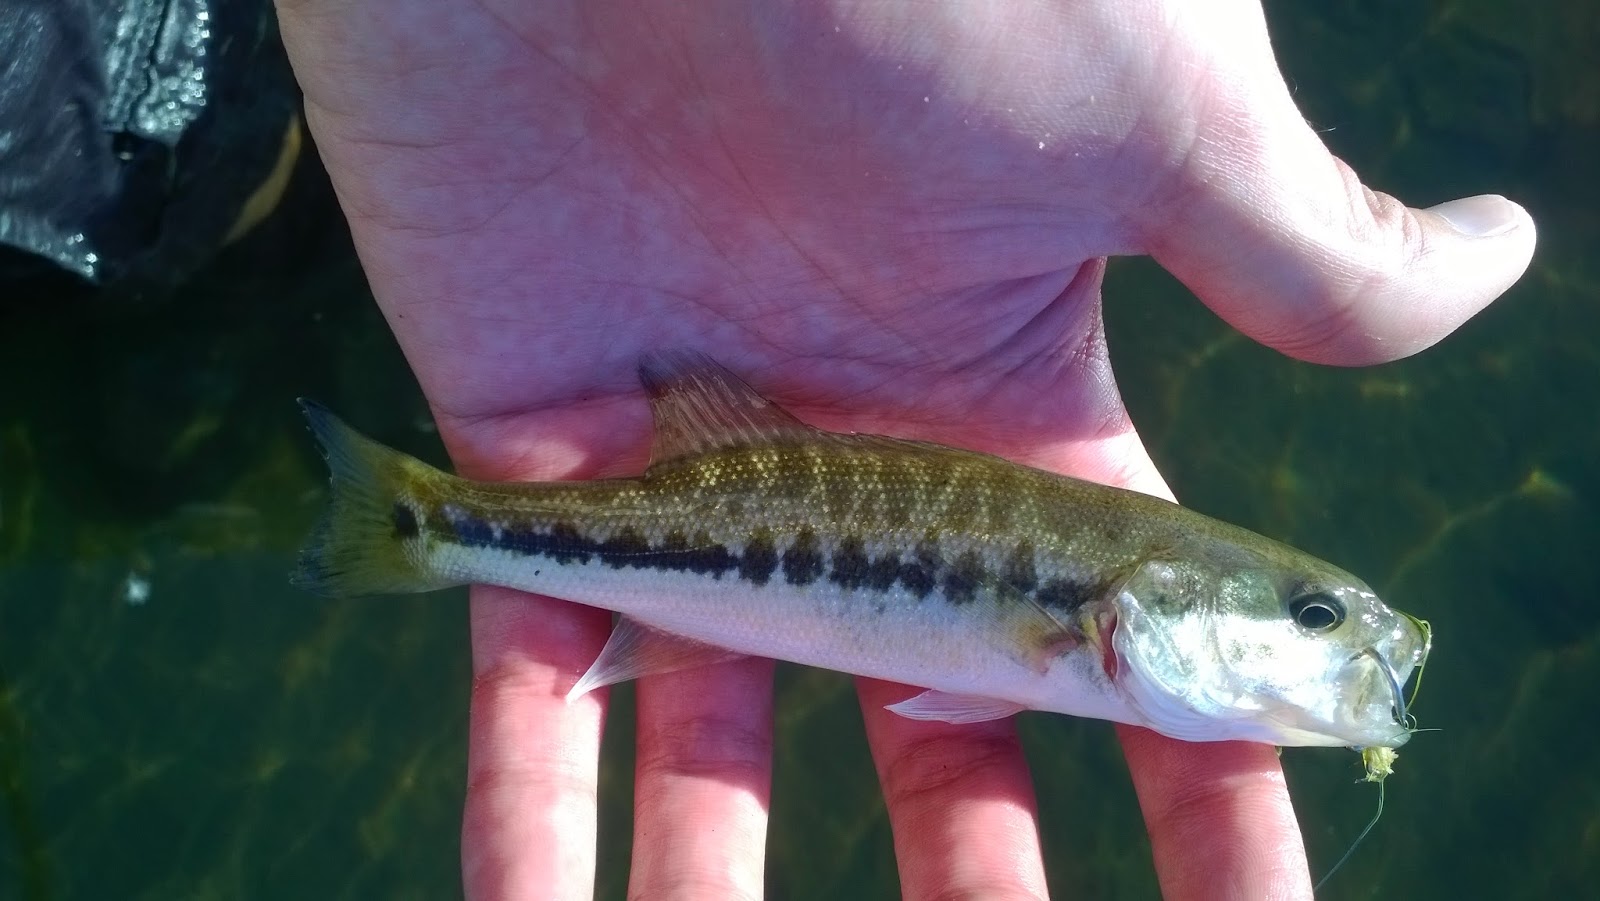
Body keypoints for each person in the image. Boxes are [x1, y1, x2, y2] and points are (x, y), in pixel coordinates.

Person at [272, 1, 1534, 898]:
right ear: (1144, 603)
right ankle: (432, 528)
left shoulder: (1093, 622)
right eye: (1310, 613)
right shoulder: (1085, 617)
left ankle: (437, 528)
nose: (1334, 637)